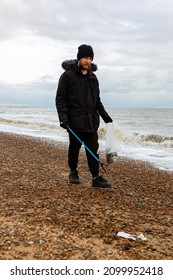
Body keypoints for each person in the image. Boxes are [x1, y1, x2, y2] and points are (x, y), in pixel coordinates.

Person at [55, 44, 113, 188]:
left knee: (92, 149)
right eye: (85, 58)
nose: (88, 61)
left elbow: (96, 101)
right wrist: (63, 118)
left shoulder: (93, 78)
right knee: (74, 148)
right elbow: (60, 99)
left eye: (90, 58)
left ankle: (95, 177)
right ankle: (73, 172)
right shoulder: (67, 76)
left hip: (91, 122)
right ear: (79, 59)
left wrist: (106, 118)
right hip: (74, 121)